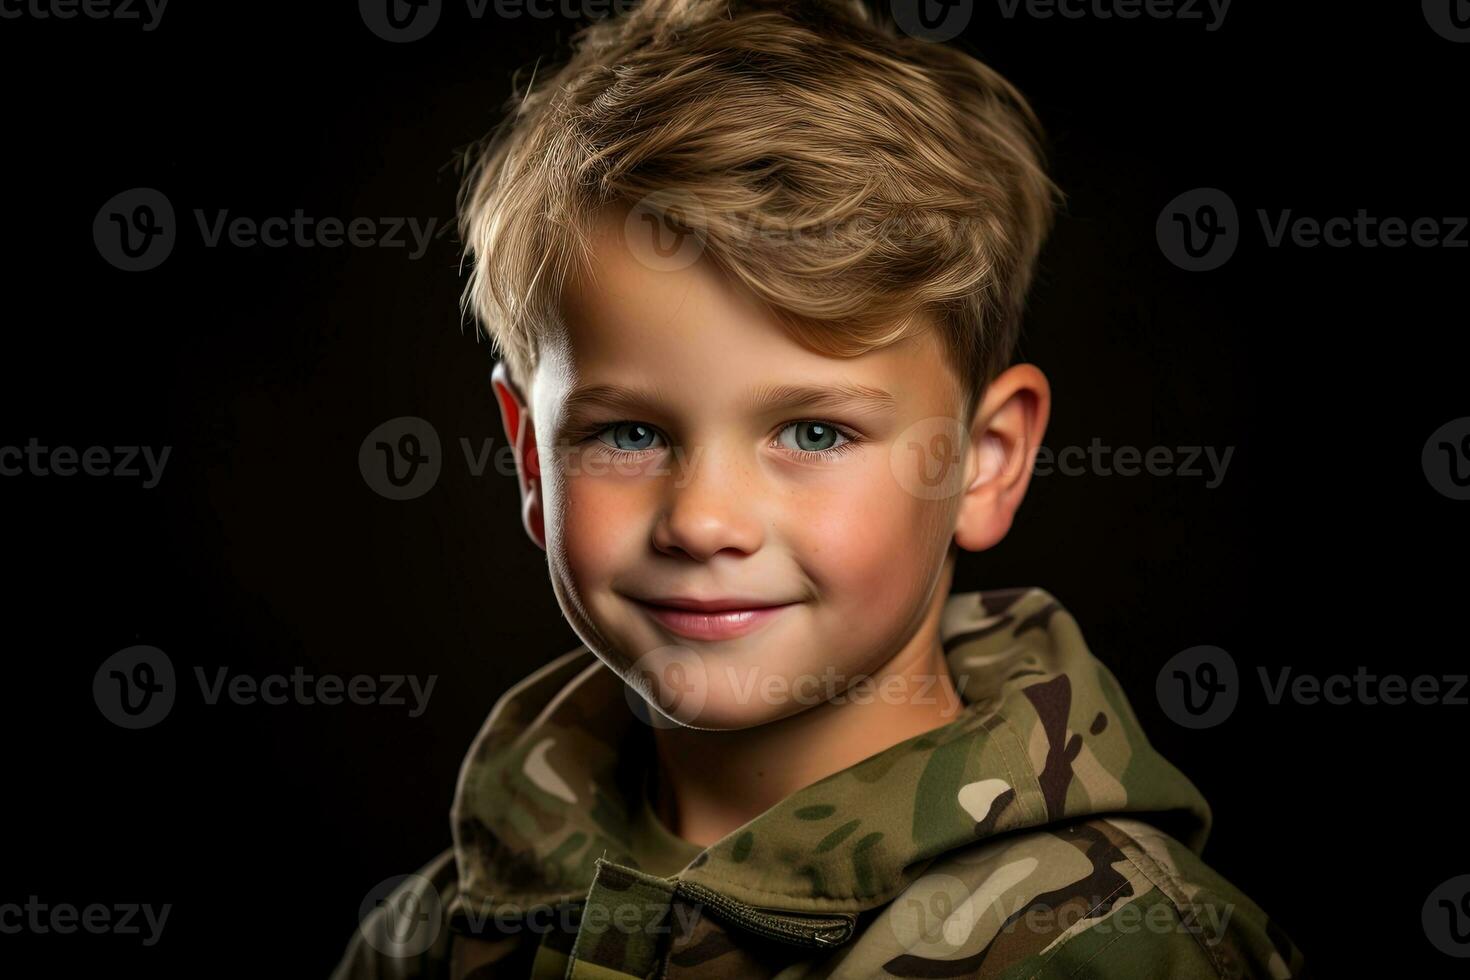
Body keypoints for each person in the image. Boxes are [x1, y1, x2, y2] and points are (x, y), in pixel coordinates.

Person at [331, 1, 1305, 975]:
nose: (705, 521)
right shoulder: (428, 938)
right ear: (532, 460)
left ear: (987, 459)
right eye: (628, 432)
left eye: (813, 431)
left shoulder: (1126, 947)